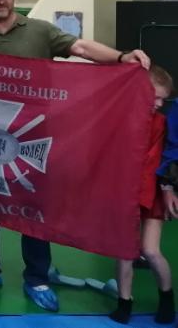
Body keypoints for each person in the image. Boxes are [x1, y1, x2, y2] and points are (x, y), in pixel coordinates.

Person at [0, 0, 150, 313]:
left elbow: (81, 47)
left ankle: (37, 277)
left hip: (33, 136)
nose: (0, 0)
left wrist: (122, 58)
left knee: (33, 205)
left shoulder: (40, 31)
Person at [109, 66, 174, 325]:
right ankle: (124, 303)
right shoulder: (122, 118)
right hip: (127, 192)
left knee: (150, 250)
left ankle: (167, 299)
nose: (159, 104)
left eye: (163, 99)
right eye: (155, 97)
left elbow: (155, 162)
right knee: (125, 251)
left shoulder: (162, 123)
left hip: (151, 192)